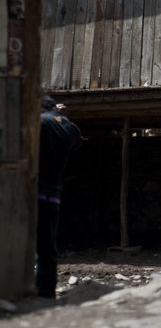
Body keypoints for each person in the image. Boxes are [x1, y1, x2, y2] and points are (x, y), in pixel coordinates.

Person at [36, 95, 81, 298]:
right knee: (47, 245)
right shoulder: (70, 128)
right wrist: (61, 115)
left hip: (32, 191)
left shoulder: (39, 122)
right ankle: (46, 291)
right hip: (53, 193)